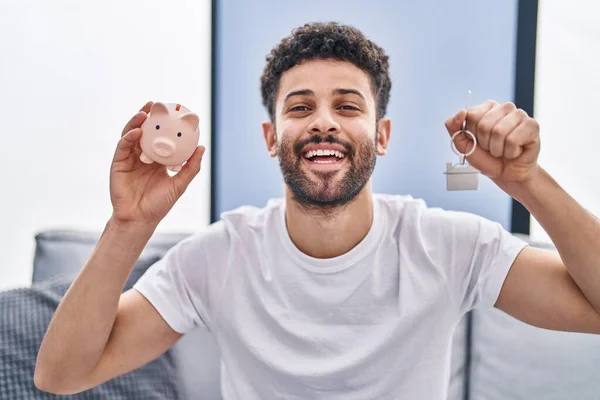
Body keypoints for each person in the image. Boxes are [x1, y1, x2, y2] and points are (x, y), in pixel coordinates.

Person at [35, 22, 600, 399]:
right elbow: (62, 374)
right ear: (270, 137)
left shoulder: (449, 246)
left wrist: (527, 181)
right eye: (300, 106)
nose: (323, 121)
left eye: (347, 106)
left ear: (380, 136)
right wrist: (129, 225)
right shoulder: (214, 259)